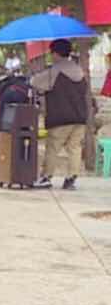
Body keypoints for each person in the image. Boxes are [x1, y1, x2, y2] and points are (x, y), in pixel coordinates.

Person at [32, 39, 91, 191]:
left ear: (56, 53)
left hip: (60, 117)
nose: (51, 55)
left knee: (53, 147)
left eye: (51, 53)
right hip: (79, 116)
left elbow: (35, 82)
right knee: (75, 148)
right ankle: (71, 179)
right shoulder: (79, 70)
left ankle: (46, 177)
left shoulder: (55, 71)